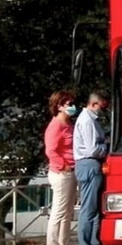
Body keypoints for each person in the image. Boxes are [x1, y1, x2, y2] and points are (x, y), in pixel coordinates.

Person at [73, 91, 109, 245]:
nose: (103, 110)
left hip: (88, 165)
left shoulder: (89, 120)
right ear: (94, 104)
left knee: (93, 208)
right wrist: (107, 147)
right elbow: (92, 149)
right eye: (102, 106)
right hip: (89, 164)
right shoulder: (87, 121)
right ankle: (85, 241)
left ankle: (92, 240)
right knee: (88, 208)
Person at [44, 90, 78, 245]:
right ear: (59, 106)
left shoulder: (68, 124)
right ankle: (52, 242)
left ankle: (63, 242)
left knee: (67, 212)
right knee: (59, 212)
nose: (73, 107)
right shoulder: (56, 126)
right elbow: (50, 150)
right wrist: (64, 166)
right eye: (69, 104)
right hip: (62, 173)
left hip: (70, 171)